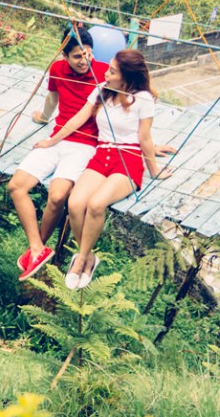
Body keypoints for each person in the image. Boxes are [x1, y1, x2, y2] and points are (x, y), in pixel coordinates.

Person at [33, 49, 173, 289]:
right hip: (101, 156)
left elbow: (144, 138)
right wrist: (52, 141)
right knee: (75, 204)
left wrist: (154, 170)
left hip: (127, 160)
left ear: (126, 77)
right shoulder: (101, 92)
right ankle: (89, 257)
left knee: (96, 204)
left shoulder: (143, 99)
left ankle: (79, 262)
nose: (105, 73)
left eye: (112, 71)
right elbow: (77, 119)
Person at [9, 24, 108, 281]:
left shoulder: (104, 74)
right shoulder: (57, 70)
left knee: (57, 196)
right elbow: (52, 100)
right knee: (16, 187)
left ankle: (37, 249)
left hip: (85, 144)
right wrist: (42, 117)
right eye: (77, 56)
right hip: (56, 138)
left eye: (87, 54)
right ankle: (37, 248)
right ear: (64, 57)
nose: (84, 60)